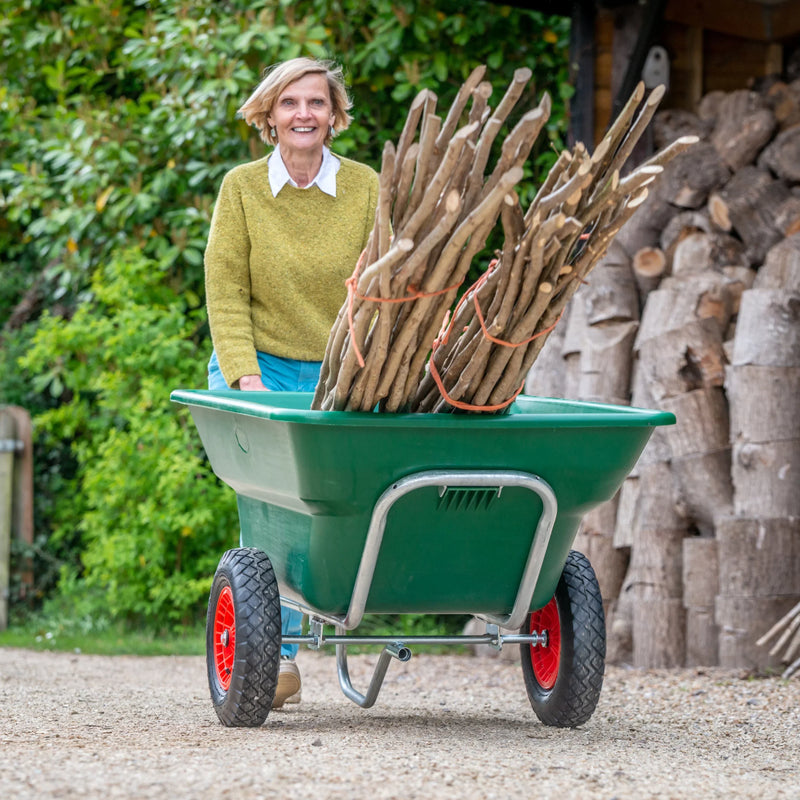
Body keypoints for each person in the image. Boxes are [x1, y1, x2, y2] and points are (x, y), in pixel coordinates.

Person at [204, 57, 379, 708]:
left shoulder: (366, 187)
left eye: (316, 102)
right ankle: (272, 657)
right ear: (267, 116)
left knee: (328, 502)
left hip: (340, 366)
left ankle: (305, 624)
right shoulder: (242, 189)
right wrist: (247, 381)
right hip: (261, 362)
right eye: (289, 103)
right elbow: (226, 293)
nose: (303, 113)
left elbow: (384, 287)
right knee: (273, 501)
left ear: (334, 116)